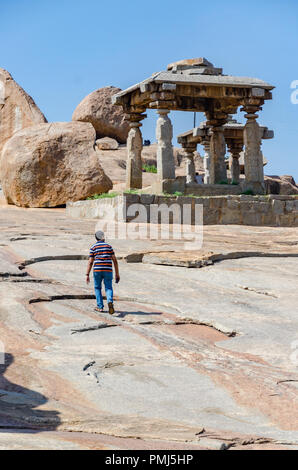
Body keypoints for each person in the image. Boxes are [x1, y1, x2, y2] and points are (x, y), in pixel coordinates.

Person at [86, 230, 120, 314]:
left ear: (96, 238)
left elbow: (90, 262)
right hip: (108, 269)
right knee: (108, 287)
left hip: (97, 270)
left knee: (97, 288)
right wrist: (117, 273)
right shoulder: (109, 247)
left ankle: (100, 306)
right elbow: (115, 260)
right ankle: (110, 301)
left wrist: (87, 274)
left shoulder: (93, 247)